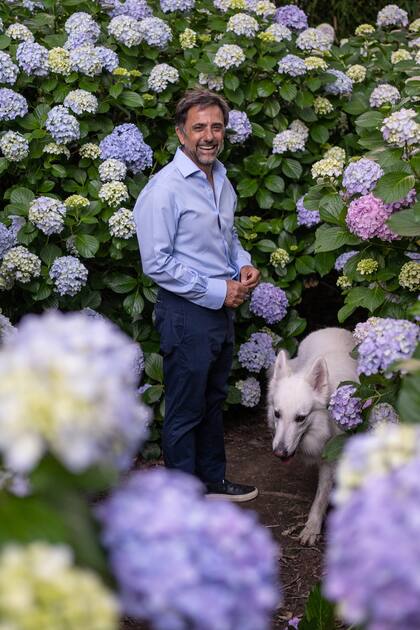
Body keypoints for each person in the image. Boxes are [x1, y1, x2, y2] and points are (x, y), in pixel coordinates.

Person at [134, 88, 260, 502]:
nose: (209, 135)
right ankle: (180, 502)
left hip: (221, 308)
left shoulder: (220, 178)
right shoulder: (164, 189)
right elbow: (156, 262)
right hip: (186, 313)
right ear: (180, 134)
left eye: (216, 127)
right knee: (186, 410)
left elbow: (228, 237)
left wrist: (241, 264)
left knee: (212, 401)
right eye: (199, 127)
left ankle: (212, 483)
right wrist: (216, 290)